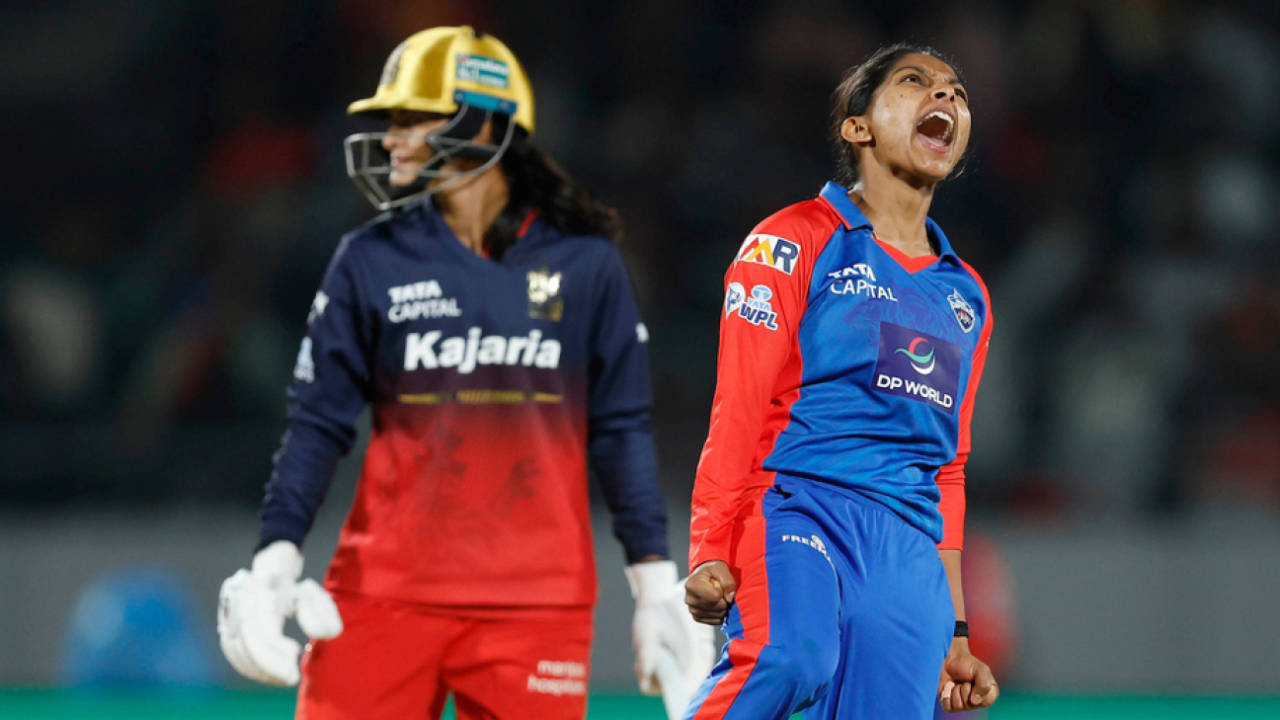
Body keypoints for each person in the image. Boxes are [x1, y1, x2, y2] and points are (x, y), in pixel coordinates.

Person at [215, 26, 713, 720]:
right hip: (383, 593)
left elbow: (621, 429)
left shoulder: (587, 266)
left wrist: (656, 583)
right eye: (389, 121)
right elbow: (315, 424)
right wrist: (275, 560)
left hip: (535, 607)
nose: (391, 138)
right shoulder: (368, 259)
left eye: (410, 118)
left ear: (482, 120)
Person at [681, 43, 1000, 719]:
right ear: (858, 127)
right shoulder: (793, 240)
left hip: (907, 552)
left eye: (958, 93)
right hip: (797, 504)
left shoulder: (966, 296)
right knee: (790, 657)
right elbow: (737, 405)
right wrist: (710, 545)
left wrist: (957, 631)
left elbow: (948, 468)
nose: (946, 98)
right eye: (917, 83)